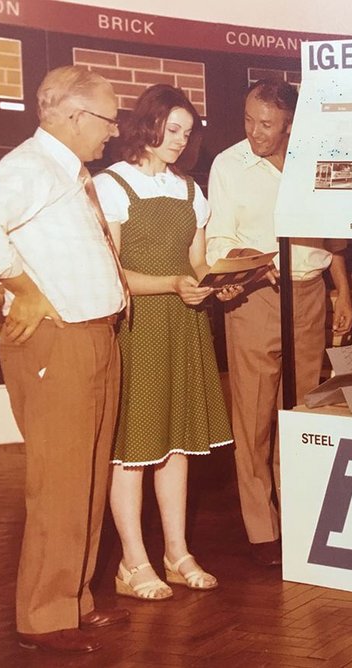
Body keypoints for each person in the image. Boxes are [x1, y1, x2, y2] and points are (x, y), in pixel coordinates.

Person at [0, 65, 130, 654]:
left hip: (95, 335)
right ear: (75, 116)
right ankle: (46, 618)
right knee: (59, 481)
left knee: (89, 475)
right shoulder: (29, 166)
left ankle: (75, 600)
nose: (114, 132)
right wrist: (25, 291)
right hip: (59, 343)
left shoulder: (68, 170)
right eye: (109, 119)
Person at [92, 84, 235, 600]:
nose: (180, 141)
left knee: (178, 447)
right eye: (172, 130)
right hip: (138, 327)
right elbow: (114, 271)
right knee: (134, 449)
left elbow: (196, 262)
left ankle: (176, 553)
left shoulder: (190, 190)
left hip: (184, 323)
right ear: (147, 126)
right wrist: (173, 284)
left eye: (187, 132)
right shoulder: (110, 185)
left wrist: (217, 281)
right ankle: (133, 562)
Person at [206, 78, 352, 566]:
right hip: (255, 298)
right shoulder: (228, 165)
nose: (255, 132)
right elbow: (219, 240)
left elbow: (335, 241)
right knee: (253, 417)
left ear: (290, 123)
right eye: (248, 120)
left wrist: (343, 293)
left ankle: (300, 515)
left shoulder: (315, 164)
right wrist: (253, 260)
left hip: (310, 296)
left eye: (266, 124)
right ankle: (262, 532)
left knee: (301, 412)